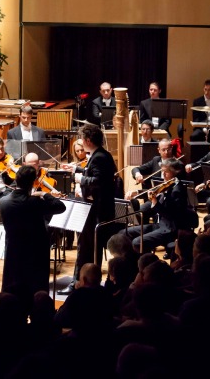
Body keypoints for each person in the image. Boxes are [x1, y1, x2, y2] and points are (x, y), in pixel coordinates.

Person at [59, 123, 117, 294]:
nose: (81, 142)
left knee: (85, 249)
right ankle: (87, 283)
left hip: (95, 212)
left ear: (88, 140)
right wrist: (76, 168)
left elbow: (99, 181)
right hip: (98, 210)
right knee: (89, 249)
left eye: (82, 139)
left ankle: (79, 283)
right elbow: (94, 173)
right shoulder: (101, 154)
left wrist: (80, 179)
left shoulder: (99, 157)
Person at [0, 165, 66, 299]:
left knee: (14, 289)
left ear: (16, 179)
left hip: (13, 251)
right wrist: (44, 194)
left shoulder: (3, 201)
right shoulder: (34, 202)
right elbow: (60, 207)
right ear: (33, 182)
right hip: (35, 253)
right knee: (35, 291)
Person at [123, 158, 197, 254]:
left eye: (166, 172)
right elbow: (153, 191)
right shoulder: (168, 184)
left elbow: (171, 215)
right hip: (159, 224)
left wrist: (155, 202)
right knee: (125, 233)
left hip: (169, 229)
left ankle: (148, 260)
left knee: (137, 243)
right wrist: (136, 192)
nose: (163, 174)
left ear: (175, 172)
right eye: (162, 171)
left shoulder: (178, 191)